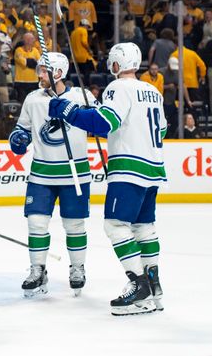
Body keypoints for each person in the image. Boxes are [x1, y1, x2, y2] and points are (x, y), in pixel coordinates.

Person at [47, 42, 166, 315]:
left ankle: (139, 284)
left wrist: (69, 111)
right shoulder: (152, 90)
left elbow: (103, 124)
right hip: (153, 167)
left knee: (115, 226)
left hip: (128, 167)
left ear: (116, 64)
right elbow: (163, 128)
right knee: (144, 227)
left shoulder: (118, 88)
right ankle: (153, 284)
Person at [9, 52, 94, 298]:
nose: (39, 74)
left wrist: (72, 111)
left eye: (44, 71)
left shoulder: (81, 96)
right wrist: (18, 139)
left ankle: (77, 268)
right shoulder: (32, 99)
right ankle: (38, 269)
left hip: (74, 173)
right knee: (36, 223)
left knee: (74, 225)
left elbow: (96, 123)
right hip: (41, 173)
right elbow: (21, 129)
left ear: (58, 73)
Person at [13, 32, 42, 103]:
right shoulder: (18, 50)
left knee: (33, 103)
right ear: (23, 40)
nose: (29, 41)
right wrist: (32, 61)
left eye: (31, 39)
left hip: (34, 82)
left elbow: (39, 64)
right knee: (22, 103)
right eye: (27, 39)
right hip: (21, 82)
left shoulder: (35, 50)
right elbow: (23, 63)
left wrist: (29, 61)